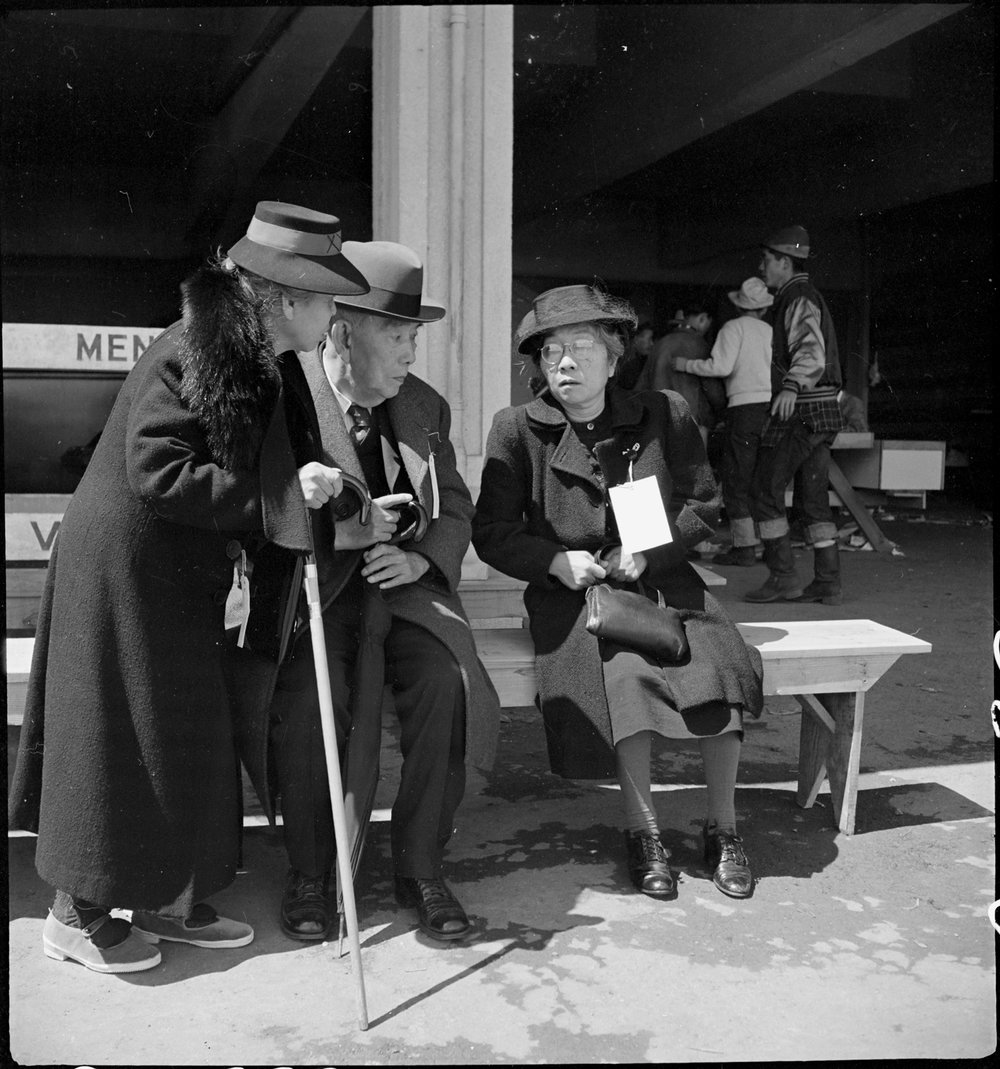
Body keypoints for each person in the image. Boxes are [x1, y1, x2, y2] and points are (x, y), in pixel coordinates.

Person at [7, 202, 370, 973]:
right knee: (121, 731)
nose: (335, 311)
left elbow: (275, 465)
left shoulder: (263, 356)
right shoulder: (194, 348)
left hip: (177, 566)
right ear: (287, 298)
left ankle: (164, 893)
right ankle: (75, 916)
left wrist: (314, 484)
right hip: (124, 566)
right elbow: (157, 467)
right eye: (328, 297)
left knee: (182, 732)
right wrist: (279, 496)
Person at [473, 283, 763, 902]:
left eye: (580, 348)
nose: (565, 365)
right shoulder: (516, 429)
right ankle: (646, 834)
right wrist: (553, 560)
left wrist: (650, 551)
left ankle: (725, 830)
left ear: (613, 358)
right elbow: (492, 533)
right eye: (550, 353)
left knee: (715, 665)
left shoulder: (663, 413)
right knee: (624, 677)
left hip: (662, 581)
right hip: (575, 596)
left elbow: (703, 501)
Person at [270, 240, 500, 943]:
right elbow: (263, 501)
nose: (409, 354)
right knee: (314, 699)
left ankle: (420, 864)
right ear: (343, 330)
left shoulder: (423, 404)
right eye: (398, 336)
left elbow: (456, 507)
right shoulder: (288, 392)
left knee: (442, 682)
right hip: (320, 588)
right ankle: (315, 868)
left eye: (413, 337)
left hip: (401, 589)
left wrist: (422, 558)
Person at [747, 225, 846, 604]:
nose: (762, 267)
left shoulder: (798, 296)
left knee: (765, 491)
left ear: (785, 262)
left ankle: (783, 578)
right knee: (813, 500)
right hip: (821, 413)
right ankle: (827, 581)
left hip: (802, 411)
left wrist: (791, 386)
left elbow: (809, 349)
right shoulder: (800, 295)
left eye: (767, 260)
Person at [672, 278, 774, 567]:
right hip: (767, 407)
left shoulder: (733, 328)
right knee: (758, 478)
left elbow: (721, 366)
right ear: (764, 309)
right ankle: (770, 547)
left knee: (735, 478)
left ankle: (744, 548)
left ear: (739, 305)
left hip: (742, 406)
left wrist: (685, 365)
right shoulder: (768, 330)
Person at [633, 301, 725, 445]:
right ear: (702, 318)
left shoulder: (659, 345)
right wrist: (723, 411)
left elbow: (641, 386)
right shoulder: (700, 345)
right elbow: (712, 389)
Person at [614, 320, 654, 391]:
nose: (651, 344)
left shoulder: (639, 359)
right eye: (649, 339)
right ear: (636, 339)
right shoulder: (629, 362)